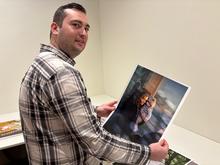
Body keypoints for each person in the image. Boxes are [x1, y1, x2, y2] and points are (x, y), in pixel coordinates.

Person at [19, 2, 169, 165]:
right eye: (76, 25)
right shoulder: (62, 72)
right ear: (55, 28)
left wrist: (96, 110)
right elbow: (95, 141)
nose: (83, 33)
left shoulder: (42, 62)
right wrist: (147, 154)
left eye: (86, 28)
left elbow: (54, 109)